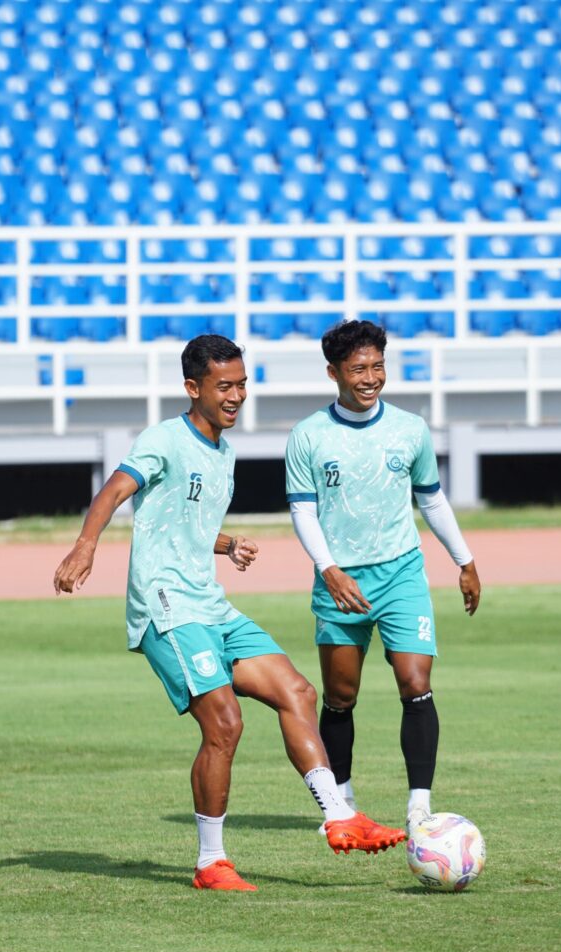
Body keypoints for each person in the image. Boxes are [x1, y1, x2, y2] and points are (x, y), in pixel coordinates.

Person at [54, 334, 405, 892]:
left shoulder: (224, 452)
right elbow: (115, 491)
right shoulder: (165, 439)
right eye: (224, 386)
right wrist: (85, 545)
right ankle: (210, 862)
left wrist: (226, 544)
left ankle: (340, 815)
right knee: (224, 723)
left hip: (209, 604)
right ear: (193, 388)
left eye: (242, 384)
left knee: (297, 691)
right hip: (167, 607)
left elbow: (181, 521)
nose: (237, 395)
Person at [285, 319, 481, 836]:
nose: (370, 378)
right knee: (340, 696)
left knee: (416, 683)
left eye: (377, 366)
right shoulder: (308, 435)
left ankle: (420, 807)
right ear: (334, 373)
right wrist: (329, 570)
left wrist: (464, 560)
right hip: (340, 583)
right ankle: (342, 804)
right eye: (358, 369)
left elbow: (431, 500)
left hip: (401, 575)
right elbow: (303, 511)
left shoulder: (410, 429)